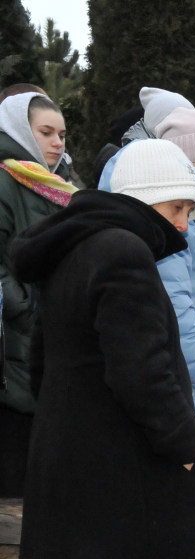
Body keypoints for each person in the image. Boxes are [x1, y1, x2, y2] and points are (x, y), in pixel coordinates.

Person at [9, 139, 195, 559]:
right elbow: (140, 366)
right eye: (177, 210)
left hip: (73, 439)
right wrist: (181, 442)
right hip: (123, 446)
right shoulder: (122, 250)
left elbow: (42, 353)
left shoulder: (77, 245)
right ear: (146, 201)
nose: (183, 226)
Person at [98, 109, 195, 481]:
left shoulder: (186, 227)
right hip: (180, 394)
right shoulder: (163, 235)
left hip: (187, 389)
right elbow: (177, 323)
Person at [0, 93, 75, 496]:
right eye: (45, 132)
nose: (58, 142)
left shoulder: (59, 186)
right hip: (17, 333)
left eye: (62, 134)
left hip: (50, 334)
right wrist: (26, 312)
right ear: (17, 131)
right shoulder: (5, 180)